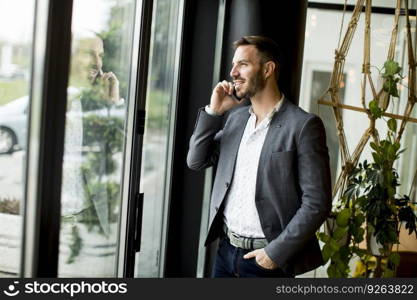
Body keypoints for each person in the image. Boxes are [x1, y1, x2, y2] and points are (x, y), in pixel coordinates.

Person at [187, 36, 332, 277]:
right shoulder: (236, 119)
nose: (233, 72)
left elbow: (317, 202)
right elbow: (196, 160)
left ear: (268, 69)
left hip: (266, 262)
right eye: (234, 65)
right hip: (225, 253)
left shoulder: (303, 126)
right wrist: (214, 111)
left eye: (243, 64)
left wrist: (275, 253)